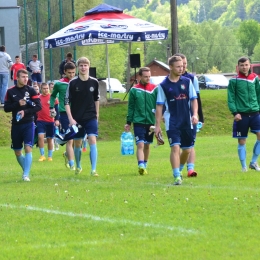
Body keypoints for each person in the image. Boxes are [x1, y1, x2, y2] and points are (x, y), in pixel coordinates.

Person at [154, 55, 198, 185]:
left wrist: (195, 114)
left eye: (182, 66)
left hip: (186, 121)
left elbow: (193, 99)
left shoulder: (187, 82)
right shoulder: (163, 85)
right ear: (171, 67)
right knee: (175, 148)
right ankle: (177, 176)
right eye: (178, 66)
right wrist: (157, 125)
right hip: (172, 121)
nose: (181, 68)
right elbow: (159, 105)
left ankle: (180, 168)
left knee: (187, 150)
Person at [4, 69, 41, 181]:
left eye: (26, 77)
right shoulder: (10, 91)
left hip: (29, 123)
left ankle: (26, 175)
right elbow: (6, 108)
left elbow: (38, 107)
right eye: (23, 77)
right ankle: (26, 169)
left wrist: (25, 112)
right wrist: (17, 104)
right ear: (17, 78)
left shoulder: (31, 90)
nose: (26, 79)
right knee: (17, 151)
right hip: (16, 125)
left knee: (28, 147)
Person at [64, 57, 99, 176]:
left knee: (92, 139)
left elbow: (96, 100)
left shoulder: (94, 82)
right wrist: (70, 119)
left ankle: (93, 170)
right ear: (78, 68)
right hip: (77, 118)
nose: (83, 68)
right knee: (77, 143)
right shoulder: (73, 83)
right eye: (81, 65)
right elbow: (66, 102)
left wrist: (97, 116)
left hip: (91, 117)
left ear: (89, 66)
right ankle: (78, 166)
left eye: (85, 65)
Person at [228, 56, 260, 172]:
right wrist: (235, 112)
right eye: (242, 65)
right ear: (238, 67)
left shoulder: (255, 78)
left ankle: (253, 162)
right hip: (241, 115)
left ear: (250, 65)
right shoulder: (233, 80)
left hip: (255, 113)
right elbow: (230, 98)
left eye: (246, 65)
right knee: (242, 141)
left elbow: (258, 94)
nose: (244, 67)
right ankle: (244, 167)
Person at [124, 67, 157, 175]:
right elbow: (131, 107)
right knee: (140, 144)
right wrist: (128, 122)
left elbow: (160, 105)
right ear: (140, 76)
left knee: (147, 145)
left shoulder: (155, 89)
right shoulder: (134, 90)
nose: (148, 78)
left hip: (151, 121)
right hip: (138, 121)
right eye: (145, 76)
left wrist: (159, 118)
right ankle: (141, 165)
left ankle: (145, 164)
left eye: (149, 76)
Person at [176, 53, 204, 177]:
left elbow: (197, 99)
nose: (183, 67)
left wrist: (199, 117)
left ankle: (190, 169)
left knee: (190, 144)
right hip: (176, 118)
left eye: (185, 64)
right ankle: (178, 169)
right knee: (177, 146)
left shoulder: (192, 79)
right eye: (181, 65)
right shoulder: (169, 81)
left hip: (190, 117)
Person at [50, 62, 76, 170]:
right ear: (64, 72)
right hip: (64, 114)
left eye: (73, 72)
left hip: (77, 113)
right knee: (70, 139)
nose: (71, 75)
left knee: (76, 139)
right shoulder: (59, 84)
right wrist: (51, 107)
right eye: (69, 73)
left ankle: (67, 153)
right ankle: (72, 164)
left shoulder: (77, 82)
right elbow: (52, 96)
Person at [37, 83, 59, 162]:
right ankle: (42, 155)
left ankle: (50, 156)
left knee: (50, 139)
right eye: (44, 88)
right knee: (40, 137)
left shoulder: (53, 98)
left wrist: (57, 119)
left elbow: (57, 109)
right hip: (40, 120)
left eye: (47, 88)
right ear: (41, 89)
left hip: (50, 121)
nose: (46, 90)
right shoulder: (38, 98)